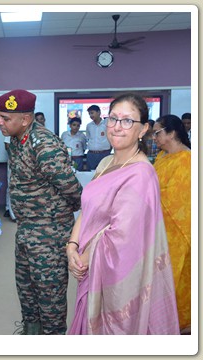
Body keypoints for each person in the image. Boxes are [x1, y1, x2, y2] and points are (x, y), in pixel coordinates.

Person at [67, 93, 179, 335]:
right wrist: (72, 245)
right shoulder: (105, 163)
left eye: (127, 121)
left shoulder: (141, 175)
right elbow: (88, 209)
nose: (117, 127)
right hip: (89, 267)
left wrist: (83, 257)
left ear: (143, 129)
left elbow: (122, 237)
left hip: (118, 278)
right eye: (113, 119)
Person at [0, 89, 82, 335]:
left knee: (49, 294)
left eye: (5, 118)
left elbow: (69, 186)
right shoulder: (17, 138)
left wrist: (68, 212)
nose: (0, 122)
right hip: (27, 228)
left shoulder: (43, 143)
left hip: (49, 232)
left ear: (25, 119)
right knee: (27, 288)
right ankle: (32, 334)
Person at [153, 114, 191, 334]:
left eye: (158, 132)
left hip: (180, 235)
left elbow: (178, 201)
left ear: (172, 133)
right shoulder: (162, 157)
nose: (154, 137)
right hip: (158, 233)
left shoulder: (188, 160)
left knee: (177, 284)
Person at [85, 104, 112, 170]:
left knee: (105, 174)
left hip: (104, 154)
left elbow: (111, 137)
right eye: (89, 114)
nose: (91, 115)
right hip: (91, 154)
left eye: (92, 113)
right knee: (91, 175)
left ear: (99, 112)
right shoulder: (89, 126)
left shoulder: (107, 123)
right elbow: (88, 138)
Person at [3, 136, 16, 221]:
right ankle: (12, 214)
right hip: (13, 162)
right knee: (11, 186)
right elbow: (7, 146)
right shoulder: (10, 131)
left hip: (26, 163)